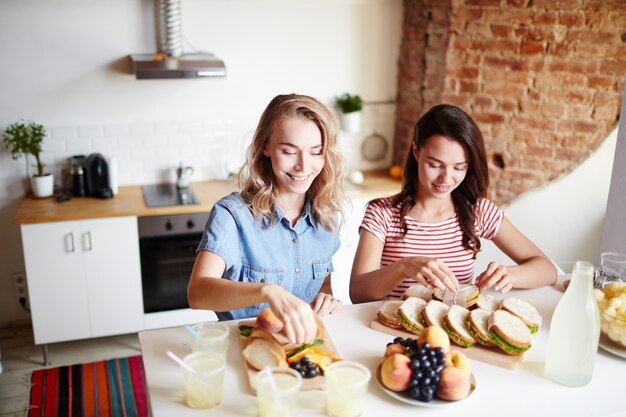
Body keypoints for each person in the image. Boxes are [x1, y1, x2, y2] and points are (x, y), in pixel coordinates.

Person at [349, 104, 557, 303]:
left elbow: (547, 270)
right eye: (435, 165)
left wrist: (509, 275)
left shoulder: (479, 211)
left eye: (459, 167)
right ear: (416, 152)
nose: (446, 178)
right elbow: (358, 292)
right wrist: (404, 267)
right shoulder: (382, 213)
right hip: (393, 332)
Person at [188, 93, 347, 344]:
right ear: (266, 147)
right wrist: (267, 291)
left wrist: (326, 299)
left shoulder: (327, 215)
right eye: (289, 151)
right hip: (244, 349)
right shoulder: (232, 215)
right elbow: (197, 293)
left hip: (302, 350)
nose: (303, 166)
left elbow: (322, 285)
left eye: (316, 152)